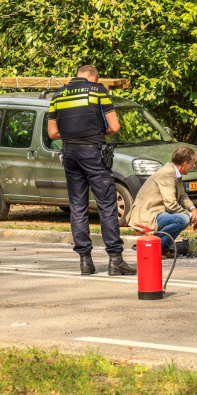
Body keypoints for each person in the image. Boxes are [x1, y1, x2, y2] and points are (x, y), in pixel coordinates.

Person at [47, 65, 136, 276]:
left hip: (69, 154)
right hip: (93, 154)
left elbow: (52, 133)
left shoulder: (58, 95)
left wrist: (73, 135)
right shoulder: (98, 91)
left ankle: (85, 261)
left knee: (78, 207)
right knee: (106, 205)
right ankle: (115, 259)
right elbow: (114, 127)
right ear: (94, 77)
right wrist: (96, 131)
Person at [127, 147, 197, 257]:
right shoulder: (167, 173)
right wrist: (190, 216)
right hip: (147, 215)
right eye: (192, 164)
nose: (193, 167)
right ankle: (153, 247)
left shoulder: (175, 172)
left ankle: (163, 247)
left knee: (183, 218)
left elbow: (182, 197)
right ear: (185, 163)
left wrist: (193, 208)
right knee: (183, 219)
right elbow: (171, 205)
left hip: (157, 213)